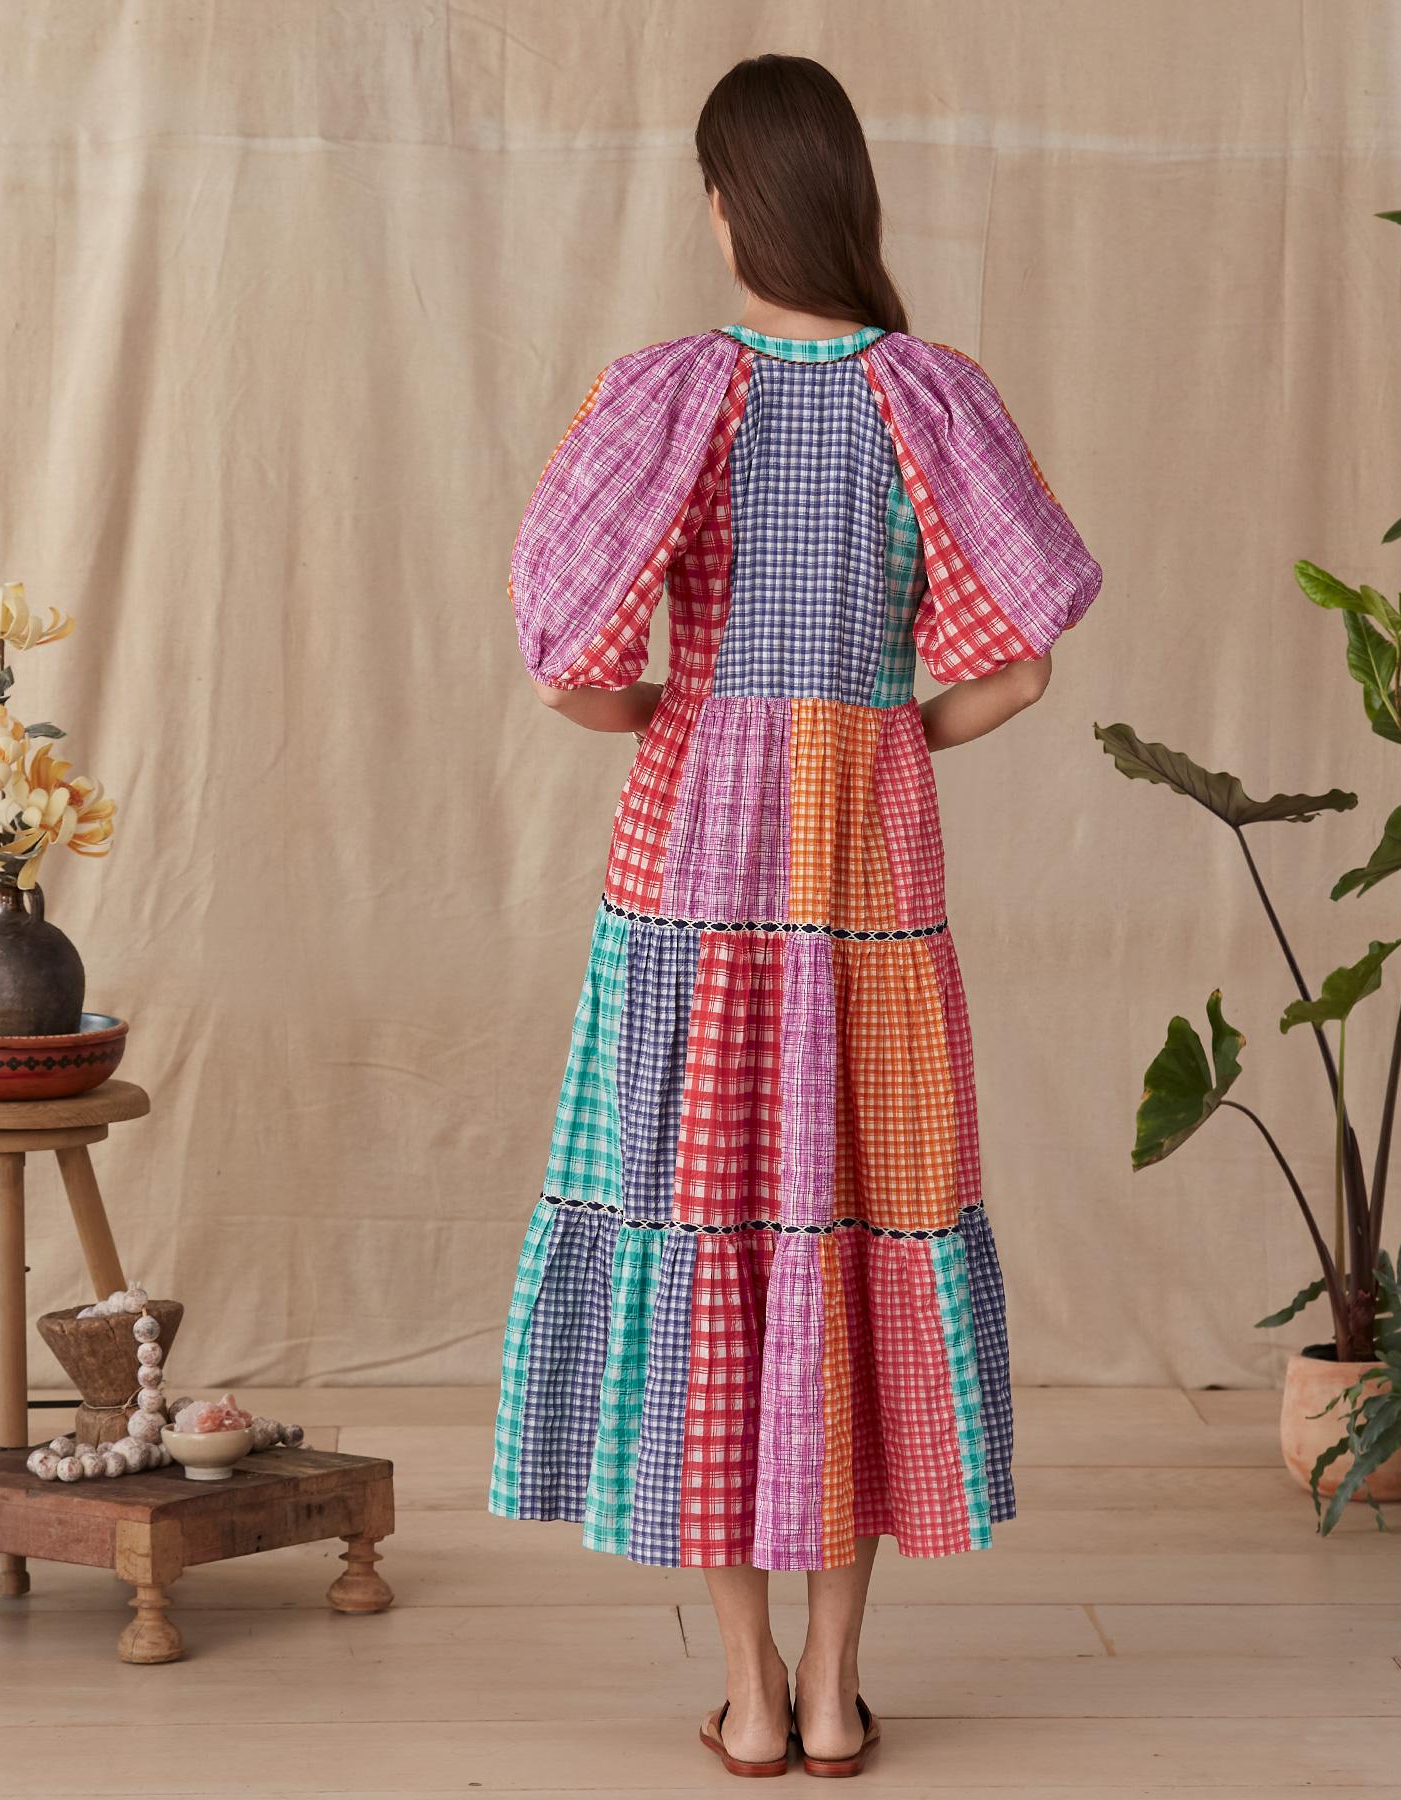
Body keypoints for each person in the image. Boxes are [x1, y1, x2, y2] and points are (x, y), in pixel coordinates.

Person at [491, 52, 1101, 1780]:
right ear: (848, 195)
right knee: (855, 1244)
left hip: (686, 888)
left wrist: (680, 720)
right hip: (870, 891)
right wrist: (881, 737)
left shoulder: (665, 393)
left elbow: (571, 677)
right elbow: (1021, 668)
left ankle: (748, 1698)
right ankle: (837, 1692)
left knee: (708, 1252)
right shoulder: (934, 397)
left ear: (721, 205)